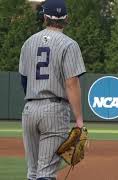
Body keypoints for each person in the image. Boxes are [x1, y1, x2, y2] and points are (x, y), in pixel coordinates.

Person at [18, 0, 86, 179]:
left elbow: (24, 80)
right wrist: (79, 120)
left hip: (30, 109)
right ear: (66, 18)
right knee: (46, 173)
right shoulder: (69, 44)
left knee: (33, 172)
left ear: (44, 17)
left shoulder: (28, 43)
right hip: (54, 110)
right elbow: (71, 83)